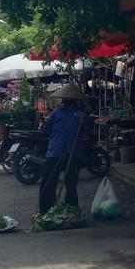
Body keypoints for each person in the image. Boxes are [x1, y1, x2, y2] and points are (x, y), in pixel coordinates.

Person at [37, 83, 88, 213]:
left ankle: (61, 210)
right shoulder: (64, 113)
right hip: (61, 150)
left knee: (62, 183)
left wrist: (83, 123)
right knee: (60, 182)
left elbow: (48, 131)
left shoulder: (77, 114)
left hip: (66, 151)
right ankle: (56, 209)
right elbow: (48, 130)